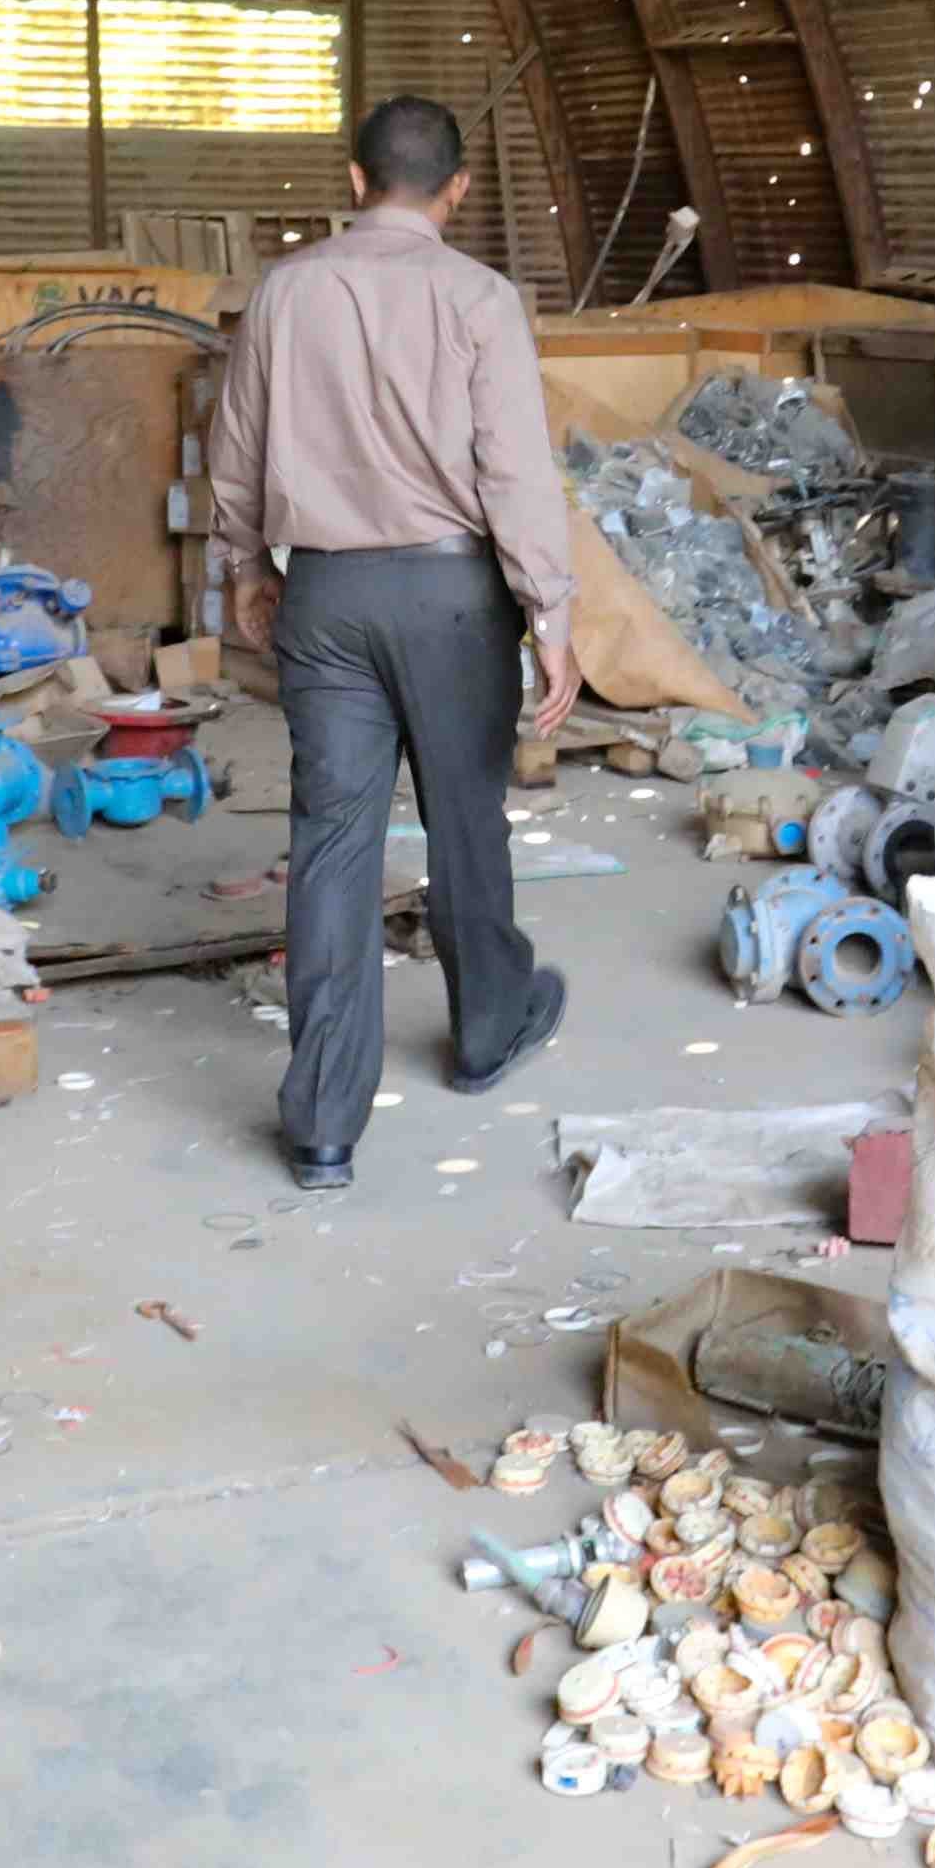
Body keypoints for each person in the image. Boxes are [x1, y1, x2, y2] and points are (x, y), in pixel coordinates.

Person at [201, 94, 575, 1190]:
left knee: (332, 844)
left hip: (326, 598)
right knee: (467, 824)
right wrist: (551, 613)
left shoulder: (286, 291)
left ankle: (322, 1123)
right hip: (457, 597)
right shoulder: (481, 299)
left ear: (355, 181)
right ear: (457, 189)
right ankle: (487, 1029)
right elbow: (512, 468)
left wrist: (242, 568)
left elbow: (237, 445)